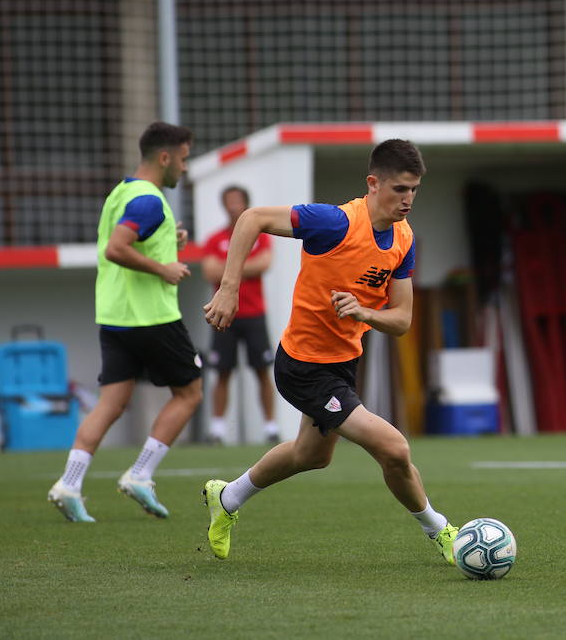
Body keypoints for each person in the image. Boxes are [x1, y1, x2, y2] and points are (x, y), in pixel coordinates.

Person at [201, 139, 460, 564]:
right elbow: (251, 218)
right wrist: (229, 288)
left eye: (414, 189)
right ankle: (441, 530)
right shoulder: (333, 222)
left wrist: (364, 312)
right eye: (399, 189)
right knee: (393, 448)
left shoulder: (403, 239)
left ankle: (227, 497)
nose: (408, 199)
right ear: (373, 184)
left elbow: (402, 321)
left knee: (311, 456)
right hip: (303, 365)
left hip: (342, 364)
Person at [47, 121, 202, 522]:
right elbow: (118, 248)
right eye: (183, 160)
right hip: (151, 316)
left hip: (115, 316)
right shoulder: (149, 200)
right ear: (165, 157)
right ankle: (140, 474)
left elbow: (127, 238)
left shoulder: (123, 191)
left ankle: (70, 483)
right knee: (189, 394)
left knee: (112, 403)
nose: (184, 169)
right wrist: (164, 269)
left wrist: (170, 242)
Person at [201, 185, 278, 444]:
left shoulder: (261, 234)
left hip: (254, 313)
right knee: (222, 372)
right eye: (229, 201)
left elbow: (265, 263)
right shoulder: (214, 238)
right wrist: (244, 265)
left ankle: (270, 427)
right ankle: (218, 430)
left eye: (237, 201)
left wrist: (230, 266)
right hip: (222, 313)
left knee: (262, 371)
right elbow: (209, 271)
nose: (233, 205)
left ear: (245, 203)